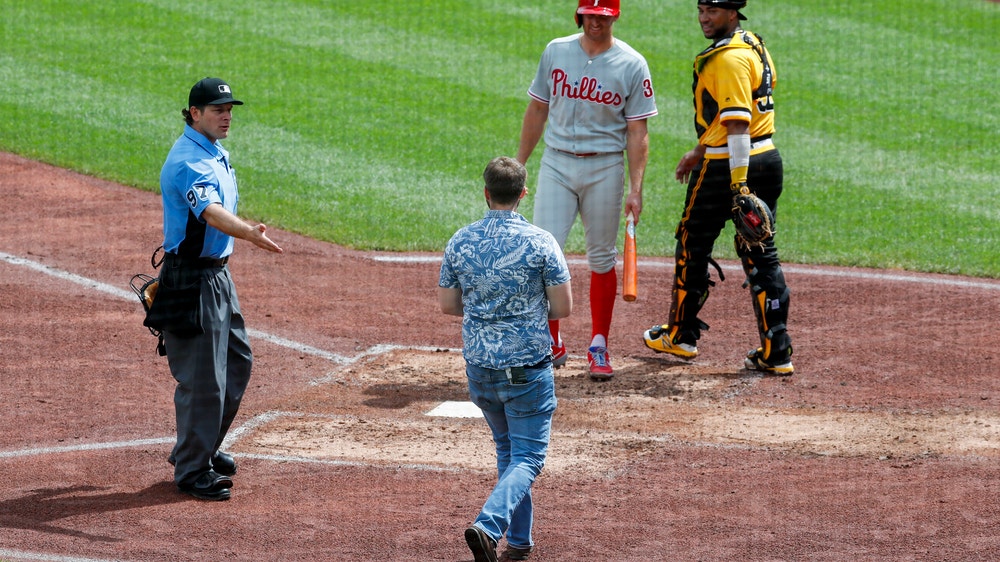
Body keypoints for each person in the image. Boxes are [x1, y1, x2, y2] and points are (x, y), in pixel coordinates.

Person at [643, 0, 794, 375]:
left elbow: (738, 125)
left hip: (729, 166)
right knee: (760, 254)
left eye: (713, 11)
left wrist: (738, 184)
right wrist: (699, 148)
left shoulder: (726, 59)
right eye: (701, 10)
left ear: (732, 13)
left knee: (691, 243)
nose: (705, 18)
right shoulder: (753, 43)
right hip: (766, 158)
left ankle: (680, 335)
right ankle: (778, 352)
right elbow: (737, 114)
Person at [439, 157, 572, 562]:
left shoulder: (460, 240)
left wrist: (488, 305)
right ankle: (489, 524)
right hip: (526, 371)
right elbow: (562, 307)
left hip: (480, 370)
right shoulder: (541, 241)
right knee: (529, 456)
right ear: (522, 193)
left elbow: (449, 305)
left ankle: (519, 544)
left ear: (485, 192)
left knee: (507, 452)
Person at [158, 77, 283, 501]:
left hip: (216, 276)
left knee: (237, 362)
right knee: (204, 379)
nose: (227, 116)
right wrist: (248, 232)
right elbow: (209, 212)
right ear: (194, 113)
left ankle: (200, 448)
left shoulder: (214, 152)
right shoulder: (188, 162)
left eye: (229, 109)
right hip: (191, 280)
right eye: (217, 110)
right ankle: (192, 471)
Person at [517, 0, 657, 381]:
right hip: (557, 162)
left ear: (615, 17)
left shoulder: (632, 63)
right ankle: (551, 340)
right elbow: (537, 110)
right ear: (580, 15)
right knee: (545, 253)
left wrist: (636, 188)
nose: (596, 22)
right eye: (590, 15)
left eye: (604, 16)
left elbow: (637, 131)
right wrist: (520, 163)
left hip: (605, 166)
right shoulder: (556, 51)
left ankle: (598, 344)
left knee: (600, 258)